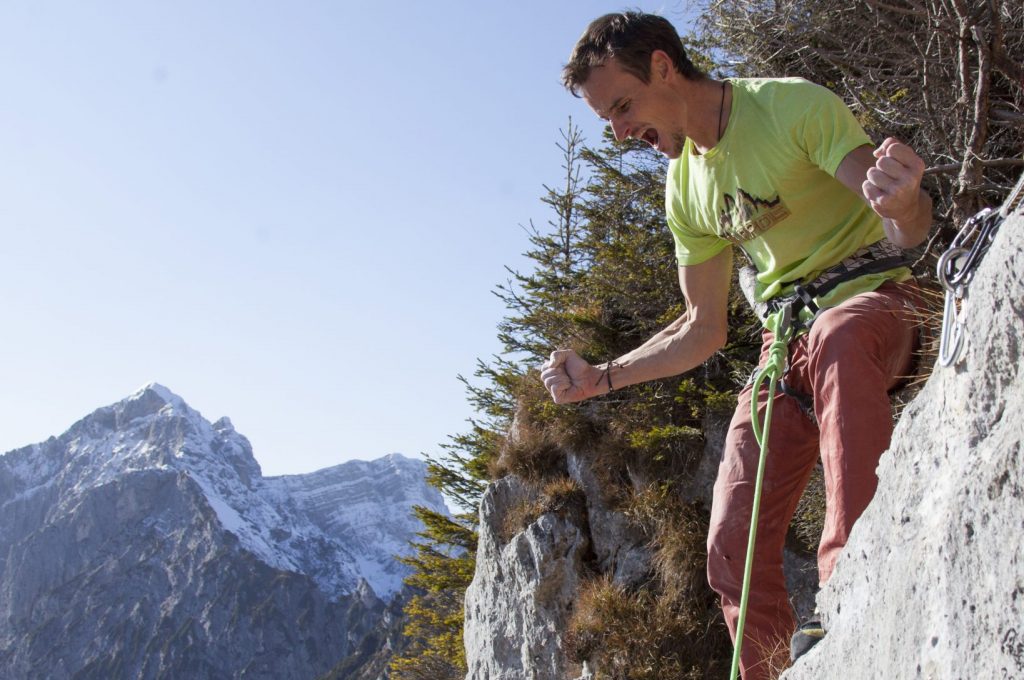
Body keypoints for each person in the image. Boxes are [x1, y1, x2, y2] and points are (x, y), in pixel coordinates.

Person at [540, 11, 932, 679]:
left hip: (880, 312)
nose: (620, 132)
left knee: (837, 336)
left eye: (624, 106)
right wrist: (598, 378)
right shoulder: (685, 187)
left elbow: (904, 225)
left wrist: (903, 203)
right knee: (731, 549)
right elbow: (703, 327)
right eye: (608, 118)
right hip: (788, 347)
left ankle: (854, 593)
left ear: (664, 65)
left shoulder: (787, 107)